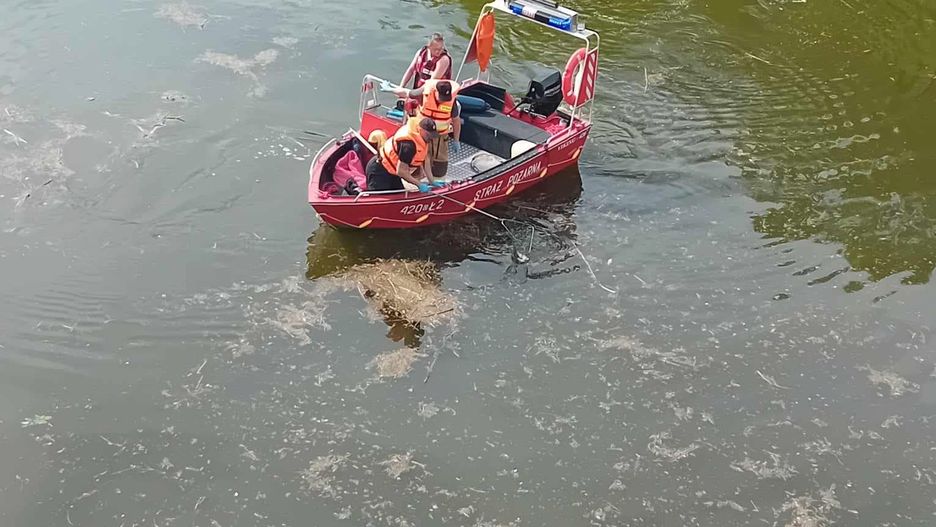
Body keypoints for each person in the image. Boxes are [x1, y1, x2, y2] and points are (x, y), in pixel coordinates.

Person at [385, 79, 461, 180]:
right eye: (441, 97)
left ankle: (438, 183)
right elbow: (407, 93)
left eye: (446, 98)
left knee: (440, 165)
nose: (443, 100)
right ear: (436, 91)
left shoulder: (451, 101)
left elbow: (456, 120)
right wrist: (391, 89)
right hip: (421, 134)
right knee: (417, 161)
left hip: (440, 137)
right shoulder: (425, 92)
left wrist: (456, 140)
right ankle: (416, 181)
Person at [365, 118, 448, 193]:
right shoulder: (408, 146)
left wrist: (432, 181)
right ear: (420, 130)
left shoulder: (424, 139)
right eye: (428, 135)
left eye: (432, 135)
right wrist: (419, 184)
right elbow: (401, 172)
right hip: (379, 169)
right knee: (381, 199)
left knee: (399, 195)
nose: (431, 138)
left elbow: (425, 160)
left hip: (392, 172)